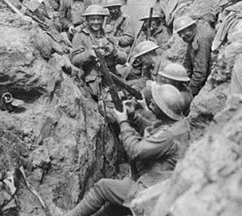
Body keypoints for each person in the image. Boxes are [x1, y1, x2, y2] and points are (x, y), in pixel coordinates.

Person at [64, 83, 189, 216]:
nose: (151, 101)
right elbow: (153, 130)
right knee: (113, 205)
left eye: (156, 102)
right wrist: (133, 116)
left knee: (103, 187)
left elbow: (136, 151)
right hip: (155, 181)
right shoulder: (177, 125)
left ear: (164, 110)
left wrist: (123, 122)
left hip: (152, 190)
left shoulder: (169, 135)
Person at [71, 5, 126, 98]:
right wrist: (89, 54)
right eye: (92, 19)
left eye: (99, 19)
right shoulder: (80, 36)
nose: (96, 22)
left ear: (103, 20)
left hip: (113, 78)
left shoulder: (108, 36)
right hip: (93, 81)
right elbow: (74, 60)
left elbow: (124, 59)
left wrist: (114, 52)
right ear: (87, 20)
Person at [173, 15, 215, 96]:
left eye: (184, 32)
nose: (182, 36)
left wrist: (190, 91)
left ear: (192, 27)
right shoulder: (192, 36)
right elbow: (187, 61)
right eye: (179, 34)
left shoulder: (201, 39)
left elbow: (200, 71)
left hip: (209, 76)